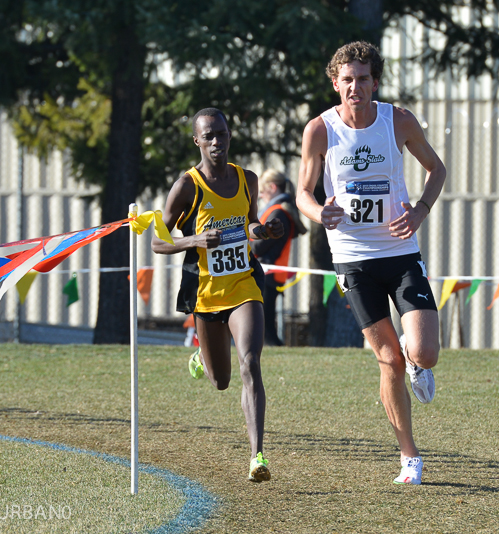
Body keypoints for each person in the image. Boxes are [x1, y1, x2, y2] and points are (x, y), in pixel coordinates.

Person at [295, 41, 446, 485]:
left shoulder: (396, 121)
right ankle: (409, 458)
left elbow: (436, 169)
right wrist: (317, 211)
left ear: (374, 82)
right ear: (335, 83)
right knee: (387, 359)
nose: (355, 87)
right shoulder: (319, 130)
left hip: (399, 254)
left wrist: (418, 210)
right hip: (353, 260)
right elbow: (304, 190)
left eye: (363, 79)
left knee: (423, 352)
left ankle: (418, 363)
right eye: (347, 80)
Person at [151, 107, 284, 482]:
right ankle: (201, 356)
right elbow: (159, 242)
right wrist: (194, 239)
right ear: (196, 140)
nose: (216, 142)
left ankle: (257, 456)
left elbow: (250, 224)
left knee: (251, 363)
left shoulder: (247, 179)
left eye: (221, 134)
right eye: (208, 136)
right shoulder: (187, 186)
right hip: (206, 294)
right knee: (221, 380)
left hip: (243, 285)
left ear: (229, 136)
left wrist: (266, 230)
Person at [251, 169, 307, 346]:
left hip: (268, 272)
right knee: (265, 320)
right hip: (269, 272)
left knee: (265, 324)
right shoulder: (278, 210)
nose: (260, 196)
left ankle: (275, 347)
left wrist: (243, 240)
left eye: (261, 191)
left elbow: (259, 246)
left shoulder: (277, 213)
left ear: (272, 187)